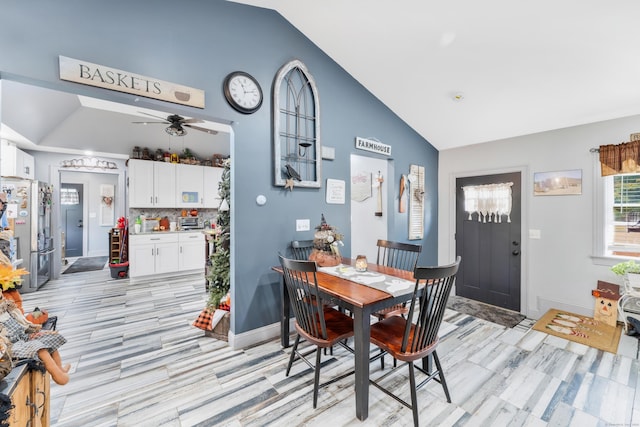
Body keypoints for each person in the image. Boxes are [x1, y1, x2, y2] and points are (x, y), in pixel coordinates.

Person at [0, 295, 70, 385]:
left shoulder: (8, 309)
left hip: (22, 337)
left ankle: (60, 369)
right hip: (10, 346)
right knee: (40, 348)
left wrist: (31, 331)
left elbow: (22, 323)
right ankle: (59, 376)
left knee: (48, 339)